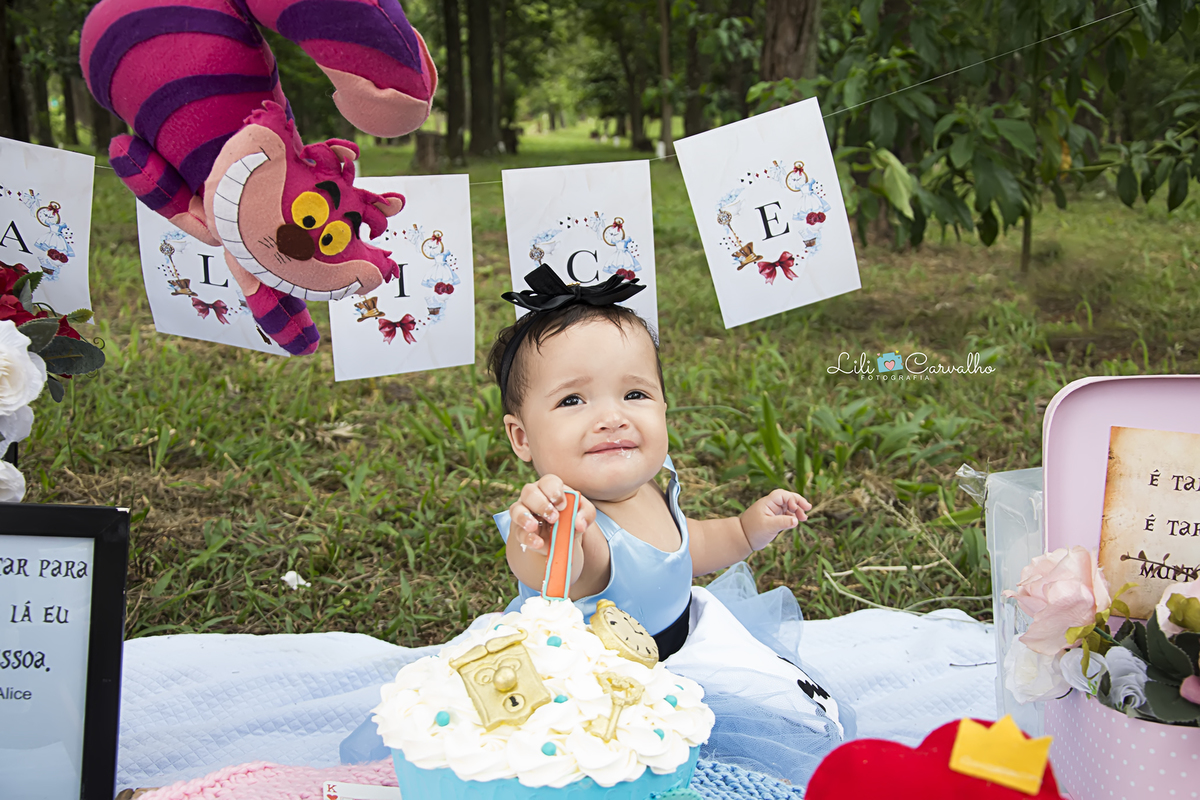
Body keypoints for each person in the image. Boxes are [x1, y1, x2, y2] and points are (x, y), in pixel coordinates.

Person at [487, 265, 855, 785]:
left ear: (664, 406)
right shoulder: (567, 520)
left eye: (634, 395)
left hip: (683, 658)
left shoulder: (652, 490)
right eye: (573, 400)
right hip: (606, 700)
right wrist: (548, 531)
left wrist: (749, 529)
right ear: (522, 437)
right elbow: (559, 572)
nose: (612, 417)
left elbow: (687, 548)